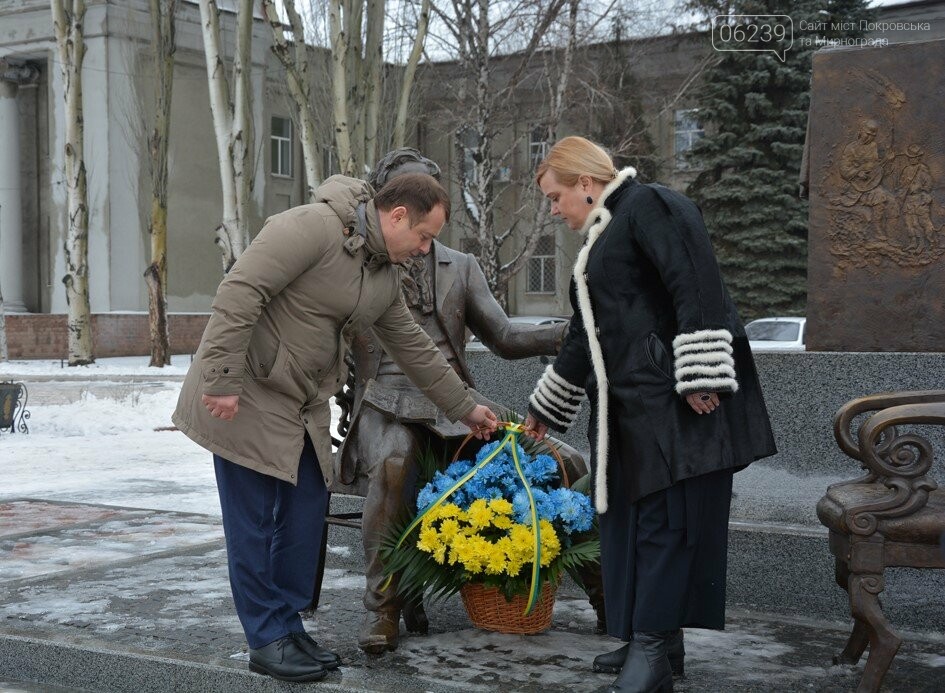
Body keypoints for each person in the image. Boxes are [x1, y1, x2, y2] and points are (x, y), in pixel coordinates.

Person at [172, 172, 498, 683]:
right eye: (424, 235)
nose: (424, 248)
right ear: (396, 217)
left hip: (300, 402)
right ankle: (266, 637)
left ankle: (287, 626)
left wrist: (467, 408)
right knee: (254, 521)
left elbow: (414, 349)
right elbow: (240, 291)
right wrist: (220, 378)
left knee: (303, 510)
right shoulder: (310, 227)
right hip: (247, 391)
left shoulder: (383, 272)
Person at [522, 136, 776, 693]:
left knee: (666, 525)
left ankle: (655, 647)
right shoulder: (607, 232)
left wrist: (703, 374)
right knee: (635, 528)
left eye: (555, 196)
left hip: (673, 406)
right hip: (630, 416)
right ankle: (652, 640)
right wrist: (547, 408)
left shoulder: (652, 205)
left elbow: (696, 283)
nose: (554, 209)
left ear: (585, 184)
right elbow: (583, 336)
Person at [332, 148, 599, 654]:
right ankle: (383, 610)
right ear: (392, 205)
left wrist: (569, 333)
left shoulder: (462, 266)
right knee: (393, 464)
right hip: (385, 407)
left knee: (566, 462)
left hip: (459, 409)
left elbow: (501, 335)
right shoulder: (359, 267)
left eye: (431, 192)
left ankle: (610, 601)